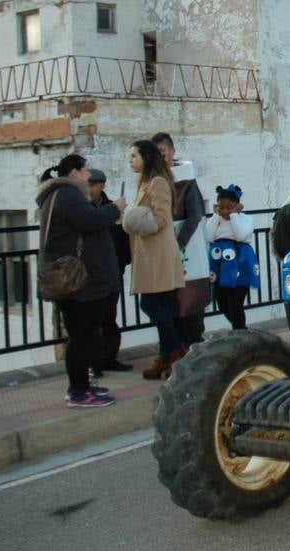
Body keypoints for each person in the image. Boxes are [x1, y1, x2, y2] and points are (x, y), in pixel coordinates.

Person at [36, 154, 125, 408]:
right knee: (81, 337)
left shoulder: (60, 194)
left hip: (75, 280)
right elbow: (90, 220)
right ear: (74, 172)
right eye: (86, 170)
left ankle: (81, 387)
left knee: (82, 335)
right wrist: (115, 207)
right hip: (77, 284)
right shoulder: (67, 194)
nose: (89, 175)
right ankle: (78, 392)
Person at [122, 139, 186, 378]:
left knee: (150, 304)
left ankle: (177, 350)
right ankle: (166, 355)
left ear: (146, 158)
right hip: (149, 252)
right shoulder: (145, 182)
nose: (130, 161)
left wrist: (132, 219)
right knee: (161, 307)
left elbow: (160, 218)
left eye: (133, 156)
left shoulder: (158, 182)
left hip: (157, 254)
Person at [153, 132, 209, 347]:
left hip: (186, 250)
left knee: (189, 302)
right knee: (167, 302)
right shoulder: (153, 179)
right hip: (163, 251)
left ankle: (192, 344)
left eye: (162, 153)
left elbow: (195, 215)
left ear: (172, 152)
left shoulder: (185, 180)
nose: (160, 159)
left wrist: (178, 243)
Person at [87, 169, 132, 375]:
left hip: (111, 269)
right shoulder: (83, 209)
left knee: (109, 317)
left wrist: (122, 224)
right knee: (92, 320)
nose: (90, 189)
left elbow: (124, 243)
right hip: (90, 273)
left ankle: (110, 357)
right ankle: (94, 362)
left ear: (102, 185)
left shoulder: (113, 208)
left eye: (93, 185)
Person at [204, 184, 257, 330]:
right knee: (222, 302)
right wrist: (215, 215)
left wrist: (234, 215)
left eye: (229, 207)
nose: (225, 211)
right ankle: (241, 328)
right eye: (222, 208)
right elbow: (208, 236)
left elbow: (241, 235)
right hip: (220, 262)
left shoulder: (245, 219)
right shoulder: (217, 219)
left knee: (235, 302)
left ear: (237, 205)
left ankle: (239, 331)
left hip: (239, 261)